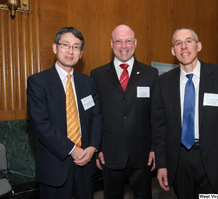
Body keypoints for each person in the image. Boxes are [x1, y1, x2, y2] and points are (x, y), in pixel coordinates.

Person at [152, 27, 218, 198]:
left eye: (189, 41)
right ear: (173, 51)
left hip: (213, 158)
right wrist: (162, 164)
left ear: (198, 46)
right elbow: (159, 127)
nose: (184, 46)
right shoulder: (163, 82)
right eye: (178, 43)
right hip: (179, 161)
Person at [27, 26, 102, 199]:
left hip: (86, 163)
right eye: (66, 45)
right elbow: (40, 124)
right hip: (55, 165)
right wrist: (72, 149)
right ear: (55, 48)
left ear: (81, 53)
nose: (71, 51)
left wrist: (92, 147)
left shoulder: (88, 83)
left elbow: (97, 116)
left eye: (76, 47)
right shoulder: (38, 82)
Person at [90, 24, 158, 199]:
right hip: (110, 154)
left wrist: (154, 148)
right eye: (118, 41)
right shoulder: (97, 75)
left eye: (128, 41)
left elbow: (156, 115)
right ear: (111, 44)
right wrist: (97, 149)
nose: (124, 46)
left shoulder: (151, 74)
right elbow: (94, 116)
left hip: (142, 154)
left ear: (135, 43)